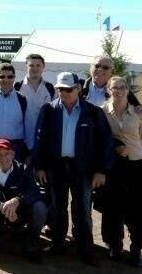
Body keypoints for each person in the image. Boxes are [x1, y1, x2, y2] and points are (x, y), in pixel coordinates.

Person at [33, 72, 113, 267]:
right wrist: (40, 167)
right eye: (61, 89)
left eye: (69, 89)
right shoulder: (48, 111)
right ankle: (59, 243)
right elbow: (39, 141)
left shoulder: (93, 112)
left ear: (78, 89)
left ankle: (85, 248)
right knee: (57, 208)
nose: (65, 93)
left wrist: (101, 170)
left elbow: (105, 142)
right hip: (56, 167)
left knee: (83, 210)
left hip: (83, 169)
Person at [0, 139, 47, 264]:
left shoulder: (23, 169)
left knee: (40, 207)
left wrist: (17, 200)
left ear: (13, 154)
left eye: (6, 153)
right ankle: (11, 238)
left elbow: (34, 192)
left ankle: (30, 245)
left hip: (17, 213)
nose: (3, 157)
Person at [101, 76, 142, 267]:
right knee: (114, 209)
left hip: (136, 166)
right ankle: (115, 246)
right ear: (108, 90)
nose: (118, 91)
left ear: (127, 90)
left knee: (136, 211)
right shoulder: (101, 112)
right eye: (114, 88)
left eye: (122, 87)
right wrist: (115, 144)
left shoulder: (138, 112)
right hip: (114, 167)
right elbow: (99, 138)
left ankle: (136, 250)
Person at [15, 54, 57, 147]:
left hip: (44, 140)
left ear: (43, 67)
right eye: (31, 65)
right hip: (21, 140)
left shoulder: (50, 88)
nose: (35, 68)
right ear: (26, 66)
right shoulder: (17, 87)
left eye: (38, 65)